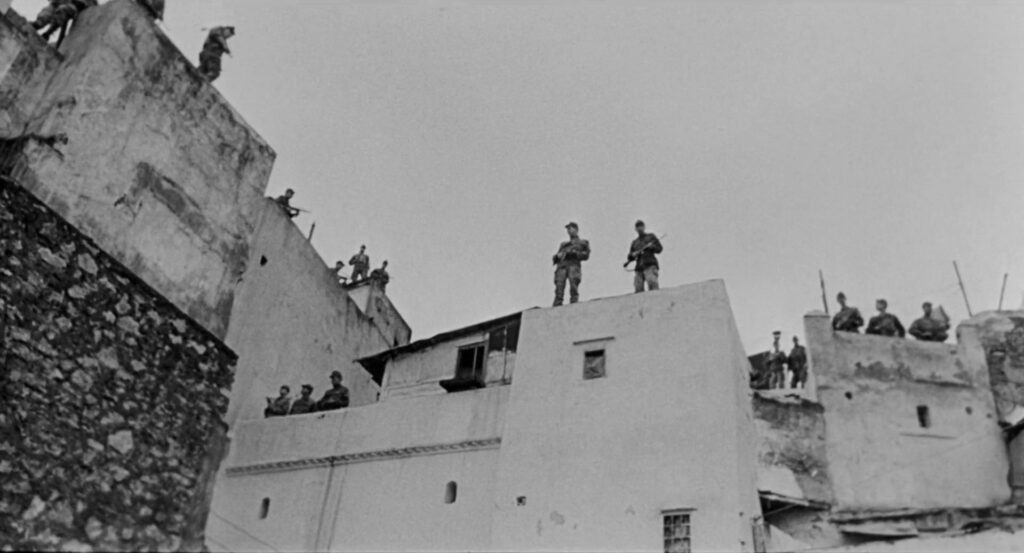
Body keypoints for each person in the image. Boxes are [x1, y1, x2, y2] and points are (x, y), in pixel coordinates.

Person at [552, 222, 591, 306]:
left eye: (570, 229)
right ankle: (557, 304)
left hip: (573, 265)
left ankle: (574, 303)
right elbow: (555, 258)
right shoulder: (564, 244)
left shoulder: (583, 242)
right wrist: (557, 256)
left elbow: (586, 255)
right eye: (568, 229)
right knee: (559, 286)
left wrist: (574, 254)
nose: (569, 231)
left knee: (573, 285)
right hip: (562, 266)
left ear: (576, 229)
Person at [627, 220, 663, 293]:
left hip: (650, 264)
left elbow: (659, 249)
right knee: (638, 286)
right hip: (639, 267)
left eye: (641, 226)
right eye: (637, 227)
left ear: (644, 227)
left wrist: (651, 247)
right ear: (635, 229)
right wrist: (633, 254)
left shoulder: (651, 237)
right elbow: (629, 257)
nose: (639, 228)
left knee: (652, 283)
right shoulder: (635, 242)